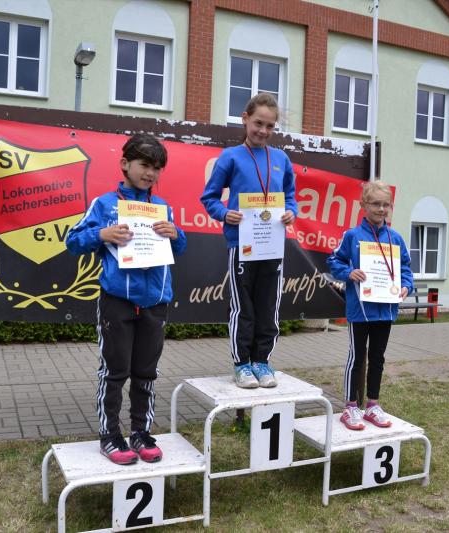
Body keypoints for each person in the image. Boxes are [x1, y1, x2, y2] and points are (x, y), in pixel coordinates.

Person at [66, 133, 187, 464]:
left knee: (146, 372)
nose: (151, 173)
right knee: (115, 371)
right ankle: (110, 435)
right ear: (125, 163)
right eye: (145, 165)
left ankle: (140, 433)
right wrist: (101, 234)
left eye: (157, 168)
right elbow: (72, 241)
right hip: (117, 301)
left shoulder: (161, 208)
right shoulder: (105, 204)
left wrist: (176, 234)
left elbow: (179, 248)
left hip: (155, 302)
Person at [200, 93, 297, 388]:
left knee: (269, 306)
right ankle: (242, 363)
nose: (263, 131)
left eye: (270, 126)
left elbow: (290, 196)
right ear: (245, 119)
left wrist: (291, 212)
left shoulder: (281, 159)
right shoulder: (230, 157)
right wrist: (223, 213)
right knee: (244, 307)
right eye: (258, 123)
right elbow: (209, 197)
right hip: (242, 245)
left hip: (272, 244)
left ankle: (261, 361)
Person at [327, 181, 413, 430]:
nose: (381, 209)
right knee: (357, 357)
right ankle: (350, 406)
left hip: (386, 309)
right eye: (375, 204)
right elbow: (333, 261)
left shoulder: (396, 238)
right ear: (363, 205)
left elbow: (405, 268)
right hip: (360, 310)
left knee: (378, 358)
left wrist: (406, 285)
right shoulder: (352, 236)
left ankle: (373, 405)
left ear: (391, 206)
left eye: (386, 204)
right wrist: (348, 272)